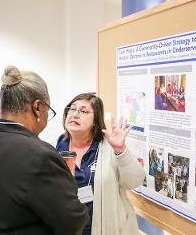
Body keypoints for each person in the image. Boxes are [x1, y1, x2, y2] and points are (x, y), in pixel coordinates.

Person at [0, 66, 89, 235]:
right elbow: (72, 221)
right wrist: (68, 184)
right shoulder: (40, 156)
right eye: (47, 110)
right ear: (37, 107)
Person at [56, 93, 145, 235]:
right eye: (72, 109)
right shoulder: (58, 147)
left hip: (105, 228)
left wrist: (120, 150)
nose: (75, 114)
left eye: (84, 111)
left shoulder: (109, 147)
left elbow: (135, 181)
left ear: (96, 120)